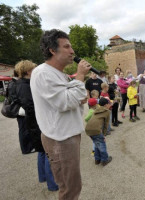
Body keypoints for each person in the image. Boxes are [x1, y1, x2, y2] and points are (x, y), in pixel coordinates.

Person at [30, 29, 91, 200]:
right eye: (67, 47)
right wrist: (80, 76)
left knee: (73, 183)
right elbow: (64, 102)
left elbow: (67, 98)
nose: (72, 51)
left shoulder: (58, 74)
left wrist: (78, 98)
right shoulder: (43, 73)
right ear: (52, 50)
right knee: (69, 187)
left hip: (67, 134)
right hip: (60, 139)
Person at [15, 60, 58, 192]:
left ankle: (43, 177)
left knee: (41, 151)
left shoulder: (24, 84)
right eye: (33, 69)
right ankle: (52, 184)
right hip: (37, 123)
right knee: (47, 152)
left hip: (35, 122)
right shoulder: (24, 85)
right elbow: (30, 106)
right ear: (28, 71)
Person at [85, 97, 112, 166]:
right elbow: (106, 125)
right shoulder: (107, 112)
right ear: (106, 105)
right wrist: (104, 135)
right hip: (96, 130)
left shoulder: (96, 110)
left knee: (96, 144)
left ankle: (97, 159)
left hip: (88, 129)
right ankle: (104, 160)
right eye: (109, 104)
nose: (110, 105)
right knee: (102, 144)